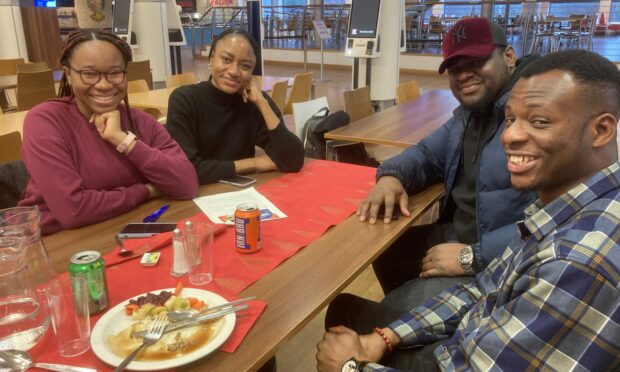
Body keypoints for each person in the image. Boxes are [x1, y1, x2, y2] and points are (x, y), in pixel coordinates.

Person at [316, 49, 620, 372]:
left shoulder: (579, 261)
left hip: (472, 341)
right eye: (511, 119)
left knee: (342, 319)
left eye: (539, 122)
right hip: (478, 332)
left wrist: (351, 368)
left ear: (601, 131)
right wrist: (387, 337)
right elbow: (487, 289)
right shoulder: (565, 206)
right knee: (359, 294)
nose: (511, 136)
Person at [358, 18, 539, 296]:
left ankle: (431, 323)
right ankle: (422, 324)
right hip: (457, 234)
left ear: (509, 56)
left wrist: (474, 256)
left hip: (496, 261)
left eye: (476, 63)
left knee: (345, 313)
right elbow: (425, 153)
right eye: (455, 69)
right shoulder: (470, 114)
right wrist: (391, 176)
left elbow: (557, 220)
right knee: (385, 247)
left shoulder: (540, 116)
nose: (464, 75)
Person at [19, 30, 198, 235]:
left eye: (114, 73)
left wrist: (123, 140)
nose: (103, 85)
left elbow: (187, 185)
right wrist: (147, 190)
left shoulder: (140, 121)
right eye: (89, 74)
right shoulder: (45, 121)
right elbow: (74, 210)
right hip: (53, 242)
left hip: (121, 228)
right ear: (68, 75)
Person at [165, 29, 304, 185]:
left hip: (244, 194)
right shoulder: (185, 100)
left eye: (245, 66)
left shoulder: (253, 101)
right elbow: (185, 170)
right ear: (211, 59)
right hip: (196, 194)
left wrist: (262, 102)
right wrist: (254, 163)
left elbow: (293, 160)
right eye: (226, 60)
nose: (234, 71)